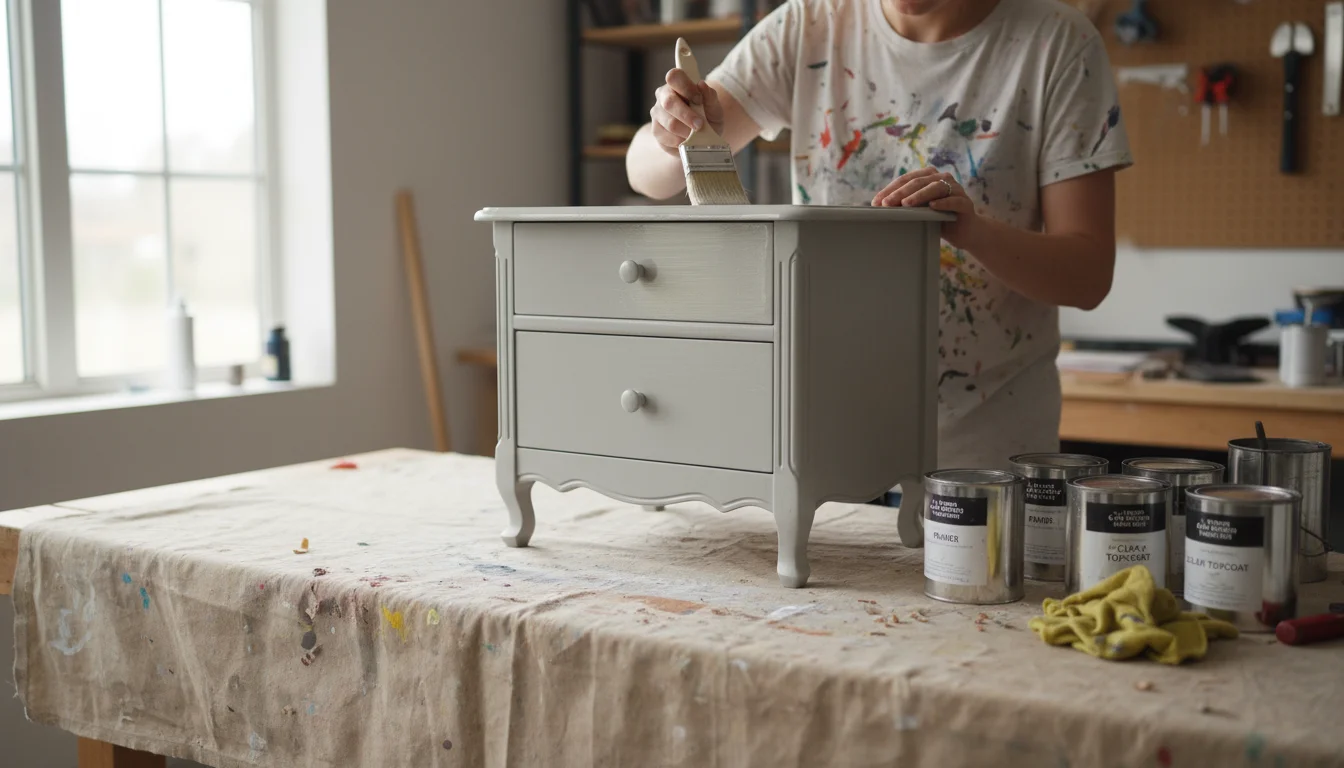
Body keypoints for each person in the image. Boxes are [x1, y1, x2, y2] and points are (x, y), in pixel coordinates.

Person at [625, 0, 1131, 469]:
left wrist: (972, 231)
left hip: (983, 447)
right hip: (822, 430)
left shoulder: (1059, 44)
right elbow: (645, 174)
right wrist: (673, 138)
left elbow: (1087, 276)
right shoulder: (807, 27)